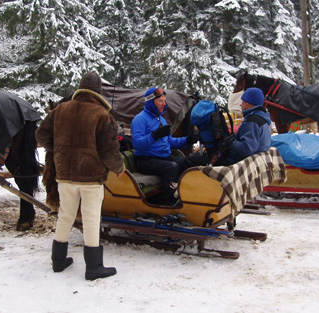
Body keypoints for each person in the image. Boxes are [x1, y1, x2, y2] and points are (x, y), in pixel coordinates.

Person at [36, 71, 125, 281]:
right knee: (91, 218)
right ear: (98, 91)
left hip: (64, 175)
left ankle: (58, 261)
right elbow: (108, 151)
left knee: (65, 215)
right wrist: (119, 168)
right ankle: (94, 267)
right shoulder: (102, 115)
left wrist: (59, 151)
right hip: (91, 178)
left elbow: (41, 135)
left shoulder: (60, 110)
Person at [131, 87, 203, 205]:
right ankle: (167, 202)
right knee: (172, 167)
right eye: (160, 101)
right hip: (145, 160)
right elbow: (137, 144)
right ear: (151, 102)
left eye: (164, 100)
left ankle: (185, 194)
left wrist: (188, 140)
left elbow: (169, 142)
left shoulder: (161, 119)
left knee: (189, 162)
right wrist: (154, 135)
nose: (164, 104)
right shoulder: (140, 119)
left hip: (163, 157)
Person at [217, 87, 272, 165]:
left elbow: (246, 149)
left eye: (242, 101)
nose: (240, 104)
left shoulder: (252, 122)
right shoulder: (263, 119)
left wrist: (229, 140)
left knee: (195, 160)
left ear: (247, 103)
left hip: (238, 164)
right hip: (256, 163)